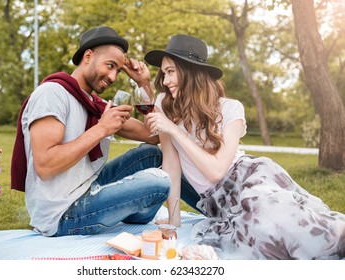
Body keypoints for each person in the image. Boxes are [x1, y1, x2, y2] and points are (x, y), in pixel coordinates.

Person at [144, 34, 345, 259]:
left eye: (170, 71)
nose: (165, 80)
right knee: (262, 231)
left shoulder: (231, 109)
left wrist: (174, 130)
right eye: (164, 73)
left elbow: (216, 172)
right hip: (218, 200)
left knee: (282, 218)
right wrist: (174, 221)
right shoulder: (164, 104)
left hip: (249, 177)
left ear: (191, 72)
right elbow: (171, 165)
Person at [11, 26, 171, 237]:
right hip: (63, 212)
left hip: (89, 187)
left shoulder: (97, 105)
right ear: (88, 56)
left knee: (152, 155)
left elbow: (154, 136)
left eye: (118, 71)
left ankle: (123, 209)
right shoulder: (51, 94)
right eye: (110, 66)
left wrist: (143, 83)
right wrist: (102, 129)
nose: (113, 76)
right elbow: (45, 165)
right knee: (159, 182)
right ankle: (128, 209)